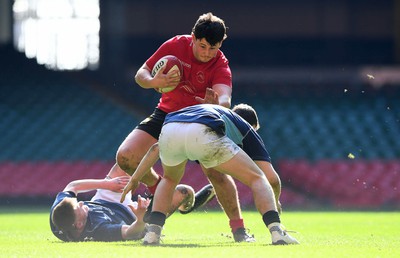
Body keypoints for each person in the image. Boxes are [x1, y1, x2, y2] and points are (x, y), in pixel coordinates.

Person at [109, 12, 254, 241]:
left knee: (216, 175)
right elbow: (141, 74)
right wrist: (154, 82)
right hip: (167, 114)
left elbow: (225, 98)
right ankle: (163, 190)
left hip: (201, 119)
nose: (207, 53)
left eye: (213, 48)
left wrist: (216, 104)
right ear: (193, 37)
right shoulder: (175, 45)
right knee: (125, 157)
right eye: (203, 46)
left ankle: (239, 231)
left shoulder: (220, 63)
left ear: (220, 44)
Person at [121, 104, 299, 245]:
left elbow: (154, 149)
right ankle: (277, 232)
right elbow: (272, 179)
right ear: (253, 126)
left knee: (168, 179)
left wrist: (135, 178)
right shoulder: (246, 128)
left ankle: (152, 234)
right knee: (257, 178)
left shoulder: (213, 111)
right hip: (202, 131)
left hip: (170, 126)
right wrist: (274, 203)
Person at [50, 168, 215, 242]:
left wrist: (106, 184)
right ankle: (184, 206)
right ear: (79, 224)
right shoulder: (100, 231)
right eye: (78, 207)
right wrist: (140, 219)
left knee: (125, 162)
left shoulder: (58, 214)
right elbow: (129, 232)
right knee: (184, 191)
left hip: (104, 201)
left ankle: (155, 187)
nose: (79, 203)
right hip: (130, 217)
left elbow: (72, 186)